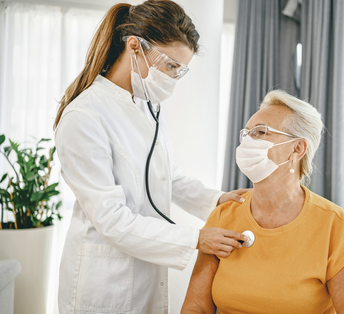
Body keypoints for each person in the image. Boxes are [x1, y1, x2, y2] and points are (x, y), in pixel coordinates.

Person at [54, 1, 248, 313]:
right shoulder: (84, 116)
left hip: (144, 271)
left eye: (179, 71)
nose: (173, 78)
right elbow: (112, 219)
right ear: (135, 46)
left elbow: (166, 176)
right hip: (105, 283)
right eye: (171, 66)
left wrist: (217, 199)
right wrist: (197, 238)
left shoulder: (146, 105)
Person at [181, 89, 344, 314]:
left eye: (261, 132)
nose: (248, 142)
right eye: (247, 134)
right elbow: (196, 308)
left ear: (297, 148)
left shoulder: (332, 223)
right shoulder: (224, 215)